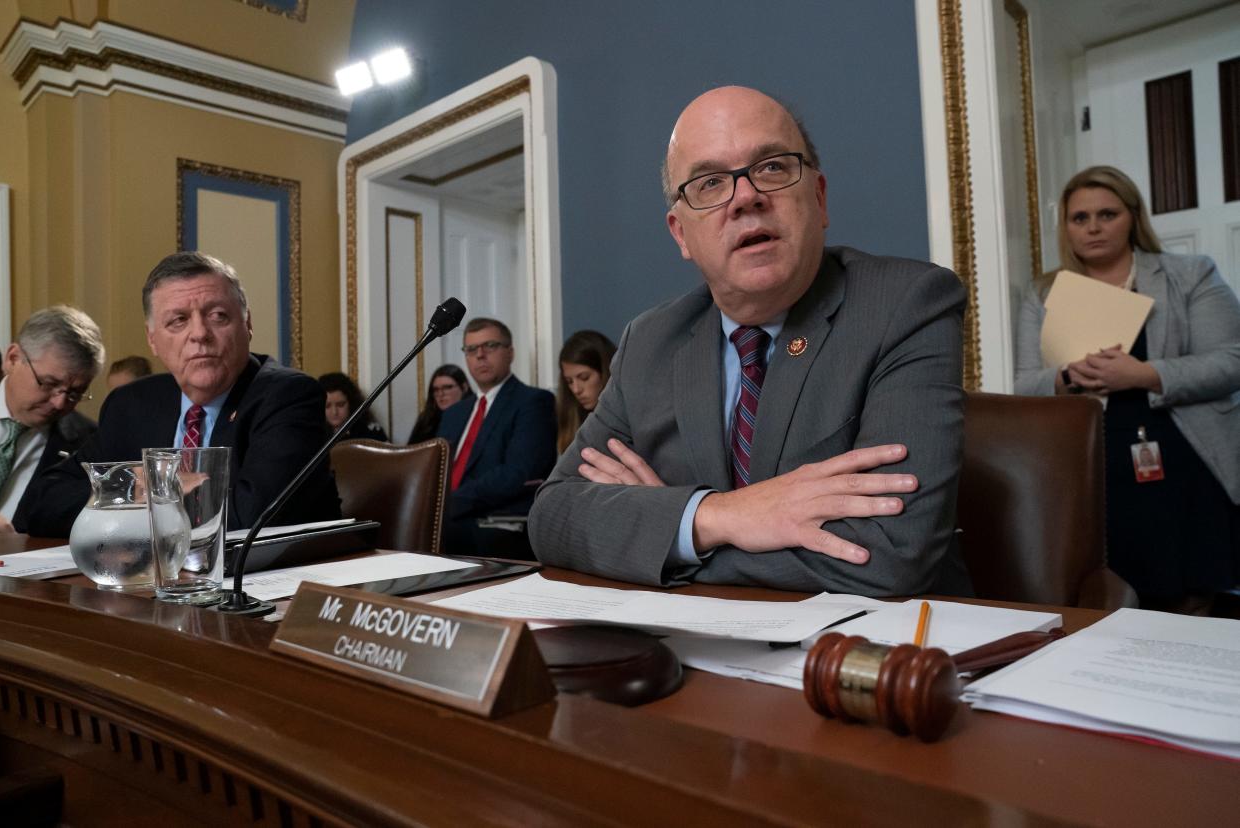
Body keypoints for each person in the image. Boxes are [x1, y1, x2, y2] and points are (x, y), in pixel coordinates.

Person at [529, 86, 969, 596]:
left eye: (773, 168)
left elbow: (890, 555)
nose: (746, 197)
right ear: (680, 234)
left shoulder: (906, 304)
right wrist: (718, 515)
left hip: (878, 653)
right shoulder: (648, 341)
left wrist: (665, 535)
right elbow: (553, 516)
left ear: (819, 198)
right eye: (710, 183)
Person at [1015, 165, 1240, 611]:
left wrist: (1141, 375)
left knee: (1194, 599)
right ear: (1067, 227)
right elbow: (1023, 388)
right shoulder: (1044, 293)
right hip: (1095, 464)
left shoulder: (1190, 274)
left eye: (1107, 213)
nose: (1094, 227)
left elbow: (1230, 362)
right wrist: (1066, 376)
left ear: (1133, 217)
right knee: (1112, 599)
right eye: (1080, 218)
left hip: (1185, 458)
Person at [19, 251, 341, 535]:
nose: (200, 333)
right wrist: (137, 488)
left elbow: (249, 519)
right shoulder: (131, 404)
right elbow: (42, 503)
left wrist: (135, 499)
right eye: (178, 321)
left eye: (218, 316)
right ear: (153, 340)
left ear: (248, 324)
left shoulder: (288, 396)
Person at [439, 318, 556, 555]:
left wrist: (448, 504)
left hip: (494, 519)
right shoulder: (454, 413)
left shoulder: (532, 402)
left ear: (510, 353)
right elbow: (435, 470)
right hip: (446, 516)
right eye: (471, 349)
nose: (480, 355)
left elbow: (518, 471)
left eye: (490, 346)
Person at [0, 306, 104, 533]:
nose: (59, 403)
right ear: (13, 358)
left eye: (75, 393)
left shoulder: (89, 444)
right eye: (48, 383)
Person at [556, 330, 617, 452]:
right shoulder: (571, 418)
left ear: (605, 372)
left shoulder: (627, 421)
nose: (576, 389)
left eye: (584, 378)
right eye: (569, 381)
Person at [407, 364, 472, 444]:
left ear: (464, 387)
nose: (441, 394)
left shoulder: (475, 415)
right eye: (436, 390)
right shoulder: (427, 420)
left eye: (447, 387)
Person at [319, 371, 388, 442]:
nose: (334, 412)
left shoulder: (371, 432)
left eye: (340, 405)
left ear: (351, 403)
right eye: (327, 406)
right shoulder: (313, 434)